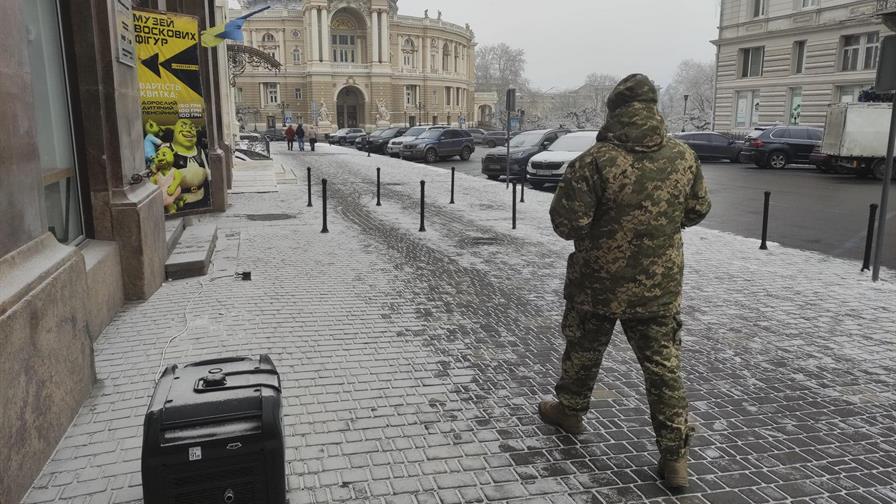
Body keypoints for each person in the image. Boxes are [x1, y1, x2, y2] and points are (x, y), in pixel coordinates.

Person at [539, 74, 711, 490]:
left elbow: (567, 224)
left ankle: (570, 411)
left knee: (583, 351)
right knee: (663, 368)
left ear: (614, 110)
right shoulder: (683, 156)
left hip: (596, 283)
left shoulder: (595, 160)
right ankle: (675, 458)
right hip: (658, 285)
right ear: (654, 109)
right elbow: (698, 210)